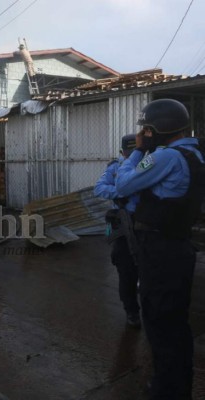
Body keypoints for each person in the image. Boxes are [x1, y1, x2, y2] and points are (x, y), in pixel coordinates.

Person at [115, 98, 202, 399]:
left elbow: (123, 185)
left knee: (160, 323)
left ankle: (168, 391)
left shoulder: (166, 157)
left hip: (161, 250)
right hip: (177, 246)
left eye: (146, 130)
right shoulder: (195, 153)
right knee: (175, 324)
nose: (144, 134)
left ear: (155, 130)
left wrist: (138, 150)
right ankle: (177, 387)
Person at [94, 134, 141, 328]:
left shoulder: (146, 164)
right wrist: (122, 191)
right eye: (127, 153)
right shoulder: (114, 168)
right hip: (123, 223)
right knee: (125, 269)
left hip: (147, 222)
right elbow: (99, 189)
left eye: (134, 153)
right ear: (122, 152)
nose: (130, 157)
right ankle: (132, 311)